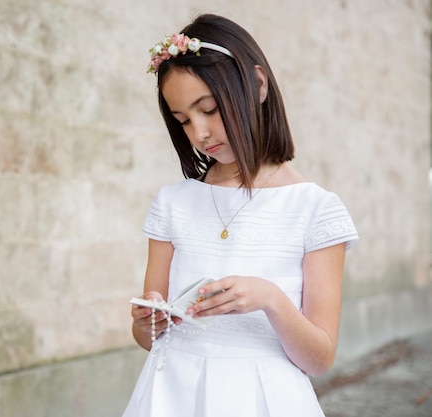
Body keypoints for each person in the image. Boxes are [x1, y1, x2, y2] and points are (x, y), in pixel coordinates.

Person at [122, 14, 359, 417]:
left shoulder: (316, 209)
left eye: (209, 109)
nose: (199, 134)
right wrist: (149, 321)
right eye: (183, 121)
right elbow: (149, 335)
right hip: (171, 394)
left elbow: (319, 358)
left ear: (259, 85)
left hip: (264, 399)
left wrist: (270, 299)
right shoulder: (172, 203)